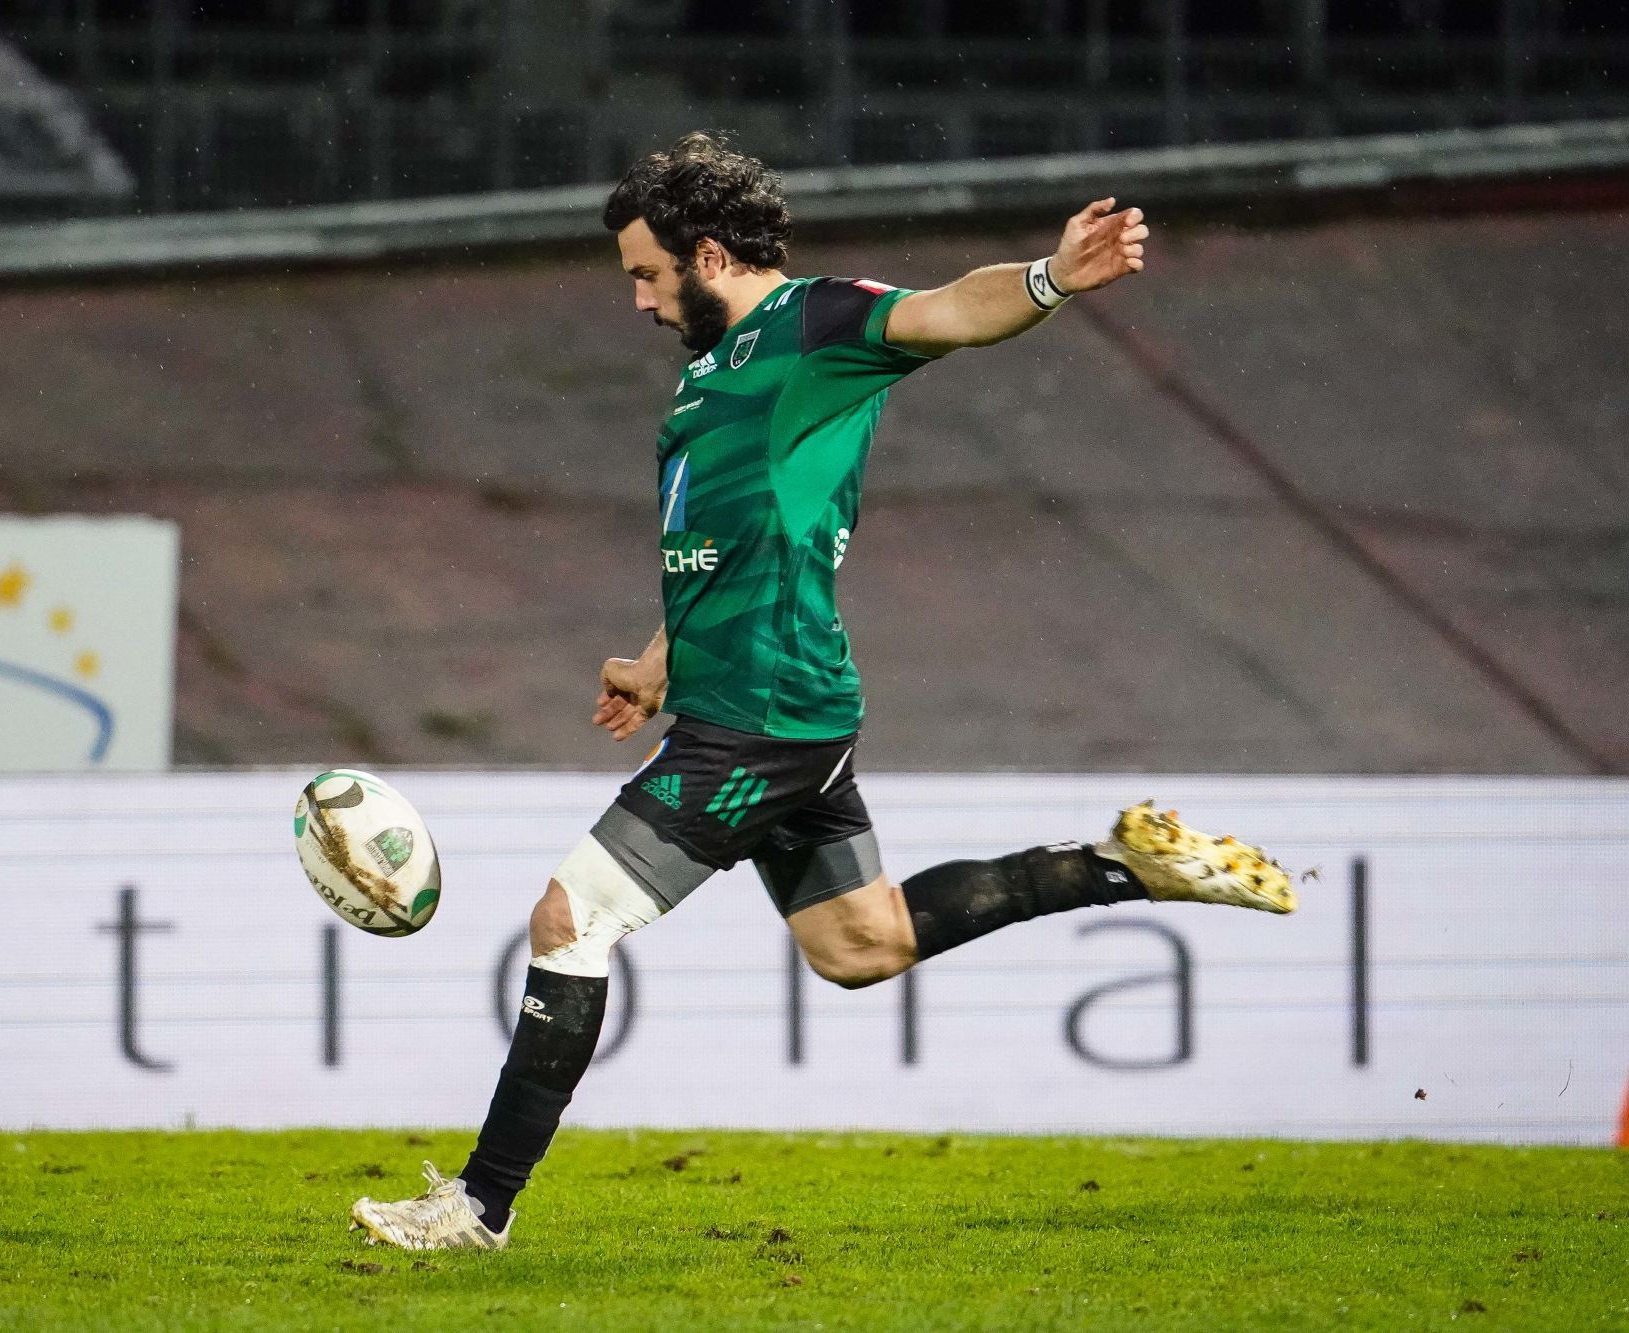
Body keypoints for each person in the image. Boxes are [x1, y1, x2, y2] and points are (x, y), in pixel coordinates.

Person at [351, 131, 1294, 1251]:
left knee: (570, 916)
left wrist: (1049, 278)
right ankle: (1119, 865)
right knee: (861, 945)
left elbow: (950, 310)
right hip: (770, 705)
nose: (639, 301)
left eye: (647, 275)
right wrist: (657, 662)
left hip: (762, 714)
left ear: (708, 255)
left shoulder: (817, 324)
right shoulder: (710, 373)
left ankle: (479, 1204)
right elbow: (728, 542)